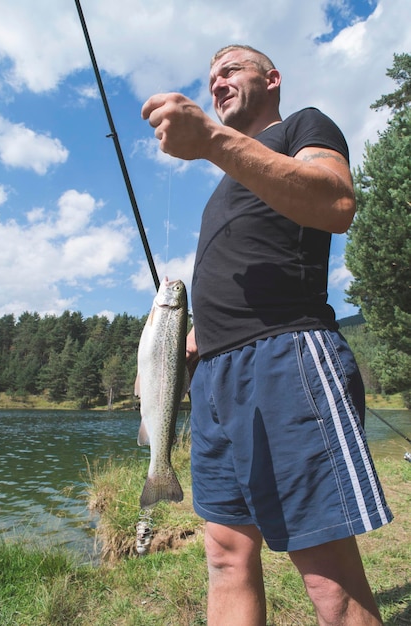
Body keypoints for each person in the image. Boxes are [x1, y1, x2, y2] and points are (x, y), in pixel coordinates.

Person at [142, 44, 393, 626]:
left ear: (271, 78)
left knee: (325, 568)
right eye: (210, 80)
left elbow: (335, 201)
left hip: (286, 357)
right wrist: (200, 330)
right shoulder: (224, 185)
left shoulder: (301, 128)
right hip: (212, 380)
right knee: (227, 557)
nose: (217, 84)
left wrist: (208, 141)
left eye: (230, 71)